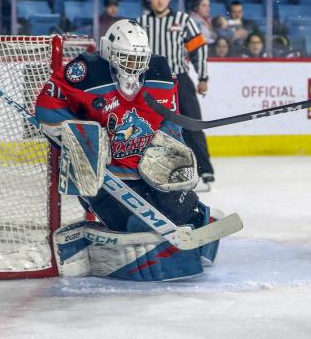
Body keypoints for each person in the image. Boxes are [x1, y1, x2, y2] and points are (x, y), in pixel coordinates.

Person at [34, 20, 221, 281]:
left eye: (138, 59)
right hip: (106, 180)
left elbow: (170, 117)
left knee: (183, 213)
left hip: (151, 174)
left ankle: (194, 216)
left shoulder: (160, 73)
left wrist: (167, 143)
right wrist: (79, 136)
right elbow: (46, 106)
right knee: (135, 226)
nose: (133, 66)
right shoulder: (84, 71)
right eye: (125, 58)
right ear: (109, 53)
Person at [137, 0, 215, 187]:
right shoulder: (142, 23)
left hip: (179, 79)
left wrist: (203, 77)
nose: (159, 1)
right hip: (150, 82)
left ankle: (205, 171)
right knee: (149, 126)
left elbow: (199, 48)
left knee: (192, 125)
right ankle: (146, 168)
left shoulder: (183, 20)